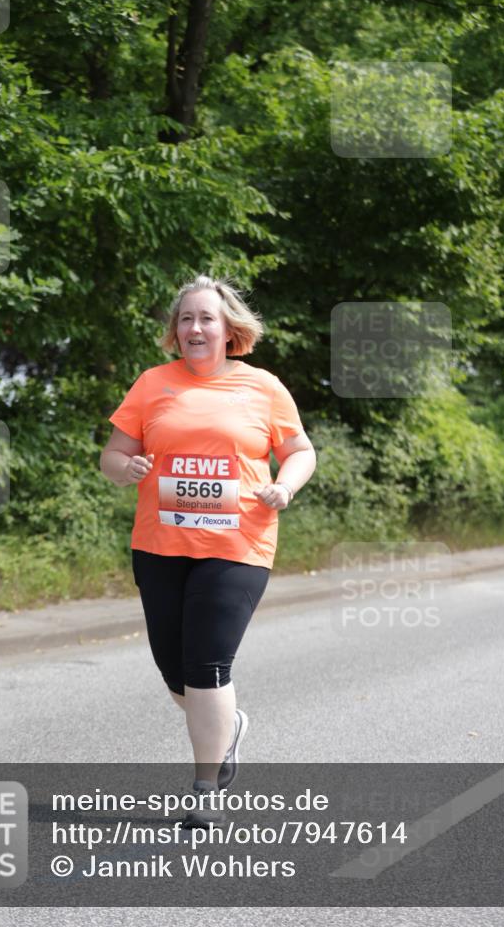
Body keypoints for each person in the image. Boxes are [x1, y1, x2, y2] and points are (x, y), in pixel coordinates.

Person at [99, 274, 316, 828]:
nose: (195, 327)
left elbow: (300, 451)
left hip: (238, 544)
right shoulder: (152, 384)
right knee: (175, 672)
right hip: (159, 545)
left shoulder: (262, 387)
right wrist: (128, 468)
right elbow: (113, 455)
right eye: (186, 319)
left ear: (228, 330)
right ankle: (229, 727)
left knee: (207, 665)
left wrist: (285, 486)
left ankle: (205, 787)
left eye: (206, 319)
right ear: (176, 331)